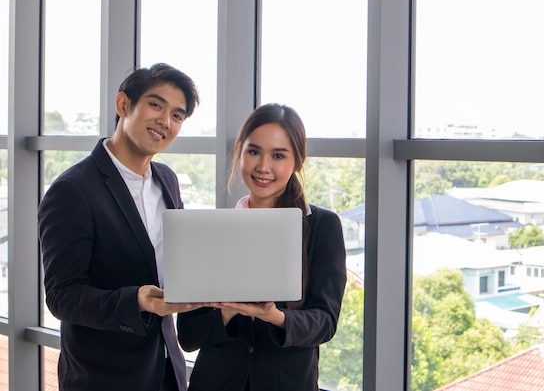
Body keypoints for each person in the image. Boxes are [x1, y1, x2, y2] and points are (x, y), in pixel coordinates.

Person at [38, 63, 204, 391]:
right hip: (103, 376)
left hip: (167, 371)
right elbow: (62, 296)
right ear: (123, 105)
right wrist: (136, 301)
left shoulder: (167, 180)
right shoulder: (72, 190)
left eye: (177, 116)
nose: (165, 121)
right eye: (156, 105)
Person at [177, 103, 348, 391]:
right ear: (239, 153)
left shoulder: (323, 226)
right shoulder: (213, 231)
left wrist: (274, 316)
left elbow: (324, 322)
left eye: (278, 155)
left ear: (298, 162)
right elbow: (189, 335)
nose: (263, 166)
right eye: (253, 151)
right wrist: (229, 310)